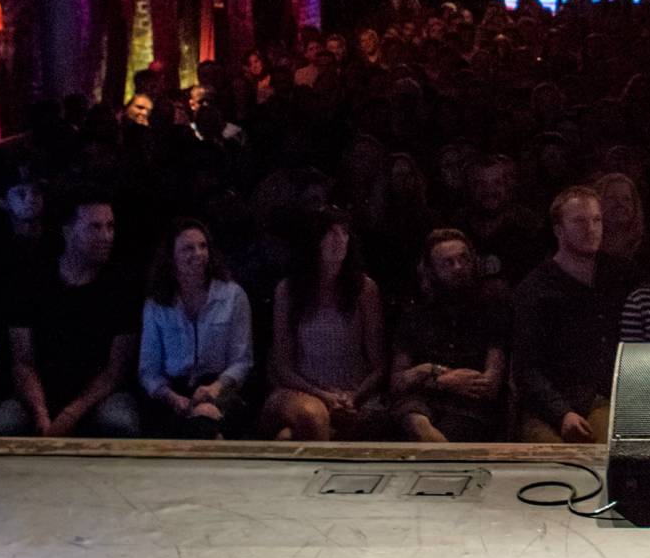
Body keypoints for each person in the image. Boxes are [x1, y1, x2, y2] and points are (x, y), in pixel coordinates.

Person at [0, 195, 144, 437]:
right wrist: (40, 412)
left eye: (110, 226)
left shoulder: (121, 287)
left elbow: (115, 371)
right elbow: (22, 362)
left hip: (99, 395)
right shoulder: (31, 281)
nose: (106, 236)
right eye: (95, 227)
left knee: (119, 425)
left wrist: (70, 414)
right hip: (39, 393)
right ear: (68, 231)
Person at [510, 186, 630, 443]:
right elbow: (525, 368)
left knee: (608, 452)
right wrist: (562, 412)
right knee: (552, 461)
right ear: (558, 230)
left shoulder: (617, 276)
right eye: (579, 221)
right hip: (548, 404)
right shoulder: (535, 289)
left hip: (600, 398)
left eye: (596, 220)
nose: (591, 229)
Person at [261, 210, 388, 440]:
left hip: (354, 392)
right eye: (329, 233)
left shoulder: (365, 289)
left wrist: (353, 397)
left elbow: (378, 365)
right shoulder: (288, 290)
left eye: (343, 232)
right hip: (301, 390)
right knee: (313, 416)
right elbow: (282, 366)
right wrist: (324, 396)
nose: (338, 240)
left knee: (287, 438)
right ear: (313, 240)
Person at [391, 228, 512, 443]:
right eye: (447, 263)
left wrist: (424, 375)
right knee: (413, 418)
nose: (458, 268)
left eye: (463, 259)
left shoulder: (492, 311)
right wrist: (438, 376)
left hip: (469, 404)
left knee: (449, 431)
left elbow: (490, 384)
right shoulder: (415, 315)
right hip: (421, 400)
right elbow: (398, 381)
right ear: (431, 271)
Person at [138, 220, 255, 439]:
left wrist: (215, 388)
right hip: (173, 391)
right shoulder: (157, 304)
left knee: (205, 416)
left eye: (203, 246)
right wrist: (171, 397)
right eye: (188, 249)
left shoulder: (232, 296)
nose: (198, 254)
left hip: (220, 386)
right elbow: (148, 369)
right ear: (171, 258)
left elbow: (242, 360)